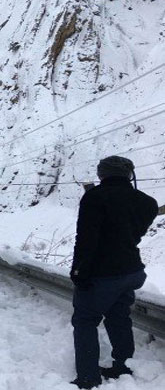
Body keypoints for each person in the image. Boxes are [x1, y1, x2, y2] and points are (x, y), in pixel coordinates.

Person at [70, 156, 159, 389]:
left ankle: (88, 377)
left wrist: (79, 271)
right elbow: (131, 233)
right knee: (119, 317)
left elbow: (86, 240)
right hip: (132, 271)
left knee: (85, 320)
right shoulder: (147, 202)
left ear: (102, 175)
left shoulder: (94, 198)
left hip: (102, 273)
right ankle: (123, 366)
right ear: (129, 174)